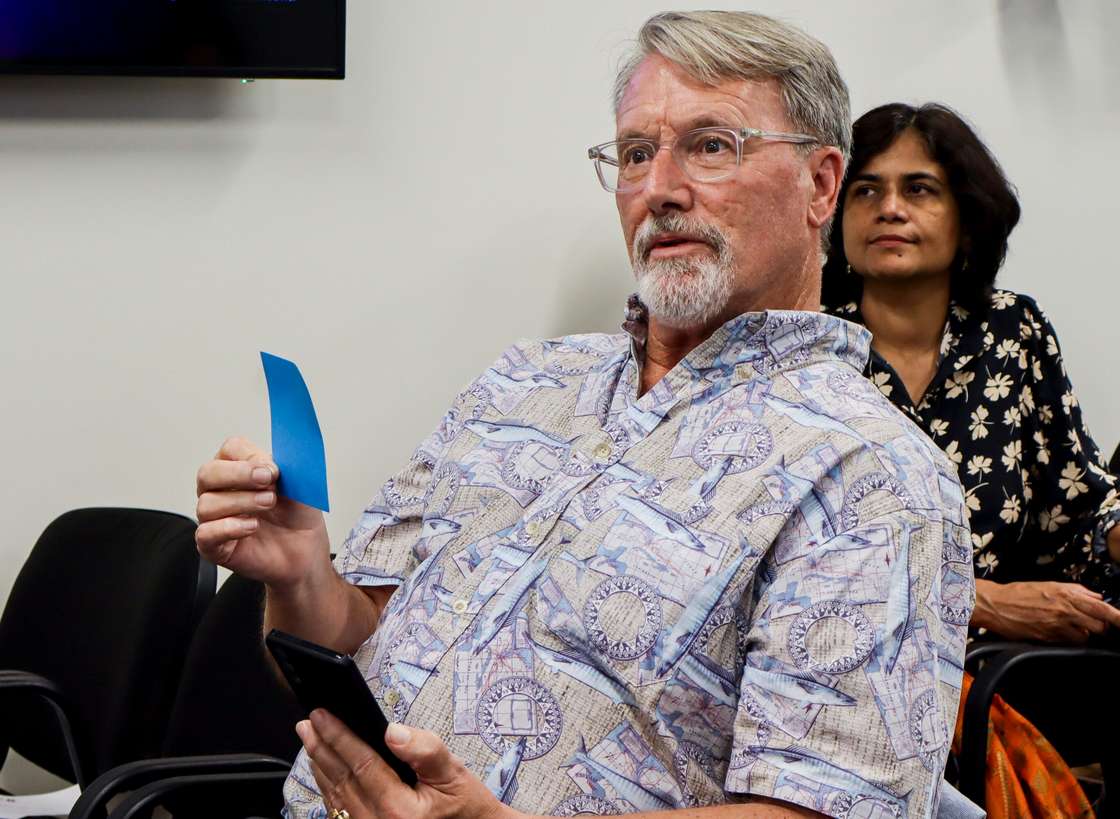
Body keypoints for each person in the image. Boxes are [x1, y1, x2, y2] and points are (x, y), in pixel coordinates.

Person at [195, 13, 974, 819]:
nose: (661, 189)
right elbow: (350, 635)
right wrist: (299, 575)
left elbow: (827, 811)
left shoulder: (871, 473)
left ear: (819, 184)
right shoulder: (523, 381)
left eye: (712, 146)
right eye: (637, 153)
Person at [820, 102, 1120, 816]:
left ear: (968, 219)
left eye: (919, 189)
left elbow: (1075, 487)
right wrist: (982, 603)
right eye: (865, 190)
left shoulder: (1012, 333)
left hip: (997, 675)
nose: (888, 209)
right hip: (843, 667)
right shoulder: (803, 343)